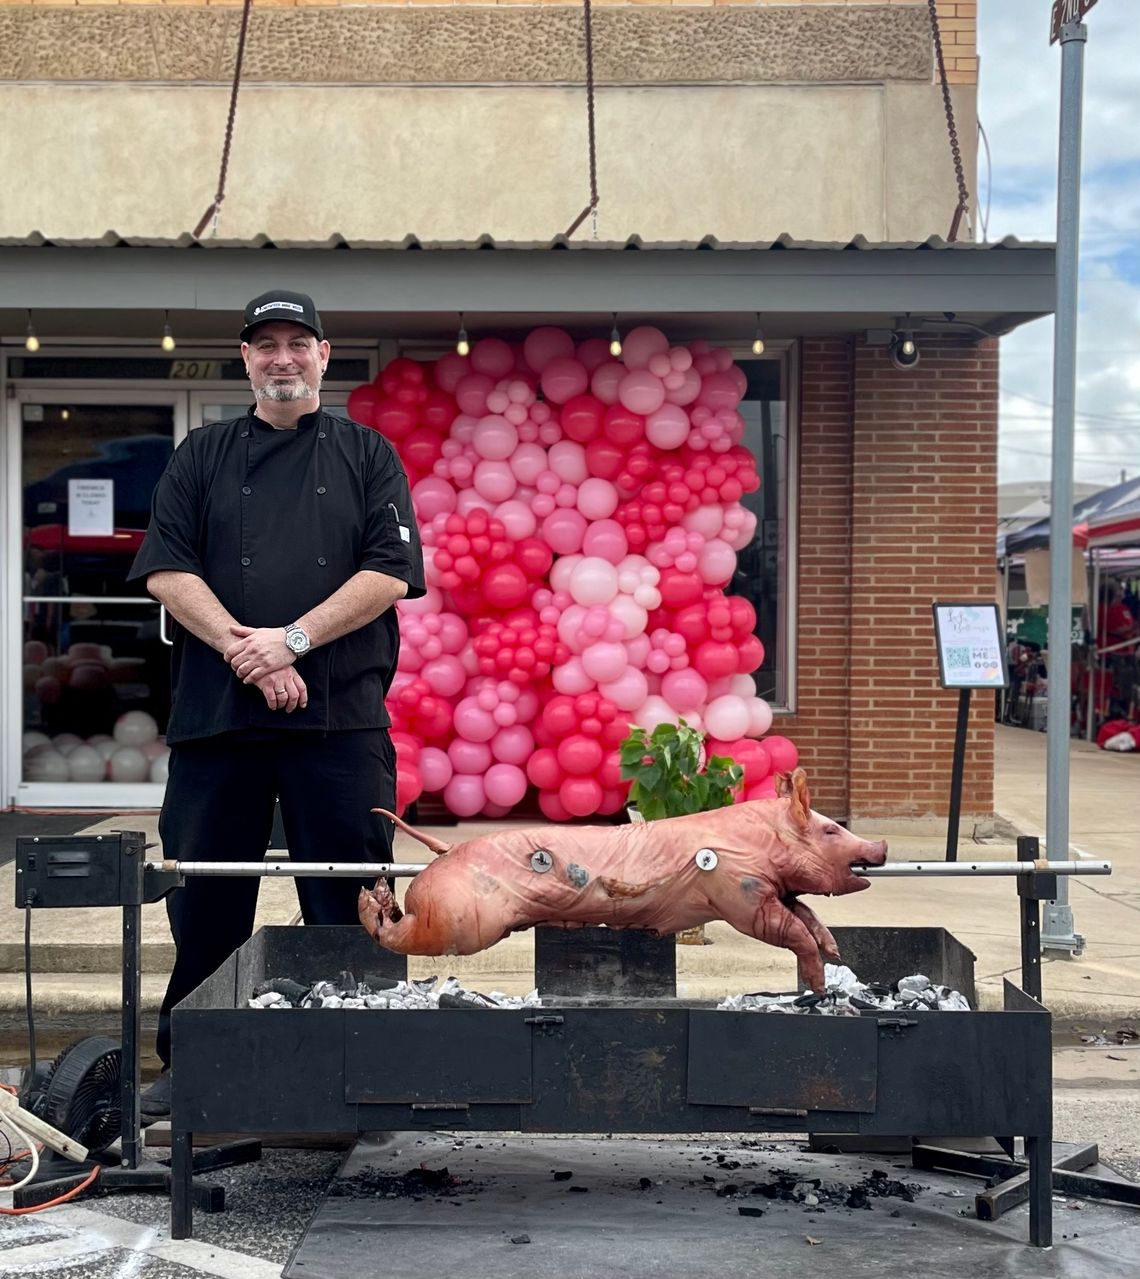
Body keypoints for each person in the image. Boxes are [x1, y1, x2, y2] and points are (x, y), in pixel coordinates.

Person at [128, 290, 425, 1118]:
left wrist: (290, 641)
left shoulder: (369, 456)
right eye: (268, 345)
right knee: (207, 900)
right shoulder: (202, 455)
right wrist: (247, 652)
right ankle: (191, 1067)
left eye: (300, 343)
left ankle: (361, 1070)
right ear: (246, 359)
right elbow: (167, 570)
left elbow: (387, 573)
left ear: (325, 356)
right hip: (218, 722)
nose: (284, 358)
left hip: (340, 722)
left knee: (349, 897)